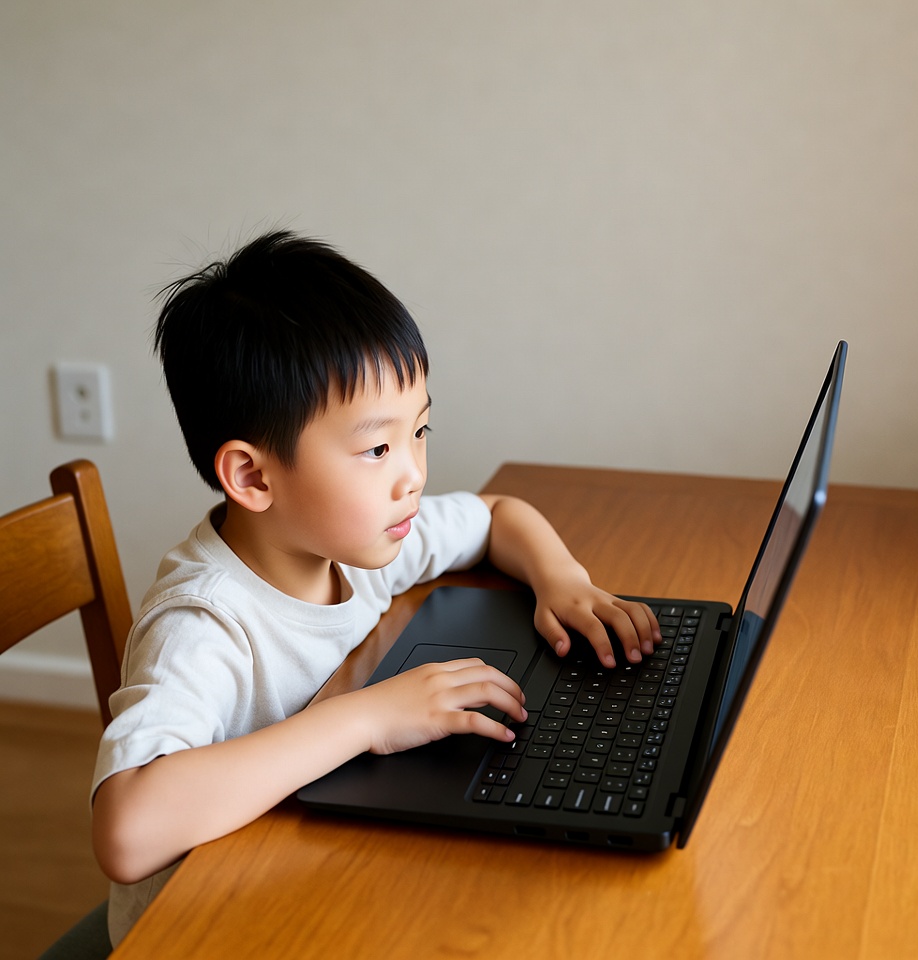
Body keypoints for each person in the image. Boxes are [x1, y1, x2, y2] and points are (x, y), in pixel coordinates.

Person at [91, 230, 661, 945]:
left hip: (304, 881)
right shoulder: (203, 624)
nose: (414, 473)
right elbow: (127, 831)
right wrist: (365, 719)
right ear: (254, 477)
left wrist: (562, 580)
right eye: (377, 449)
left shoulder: (363, 540)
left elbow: (496, 516)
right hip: (207, 929)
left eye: (420, 431)